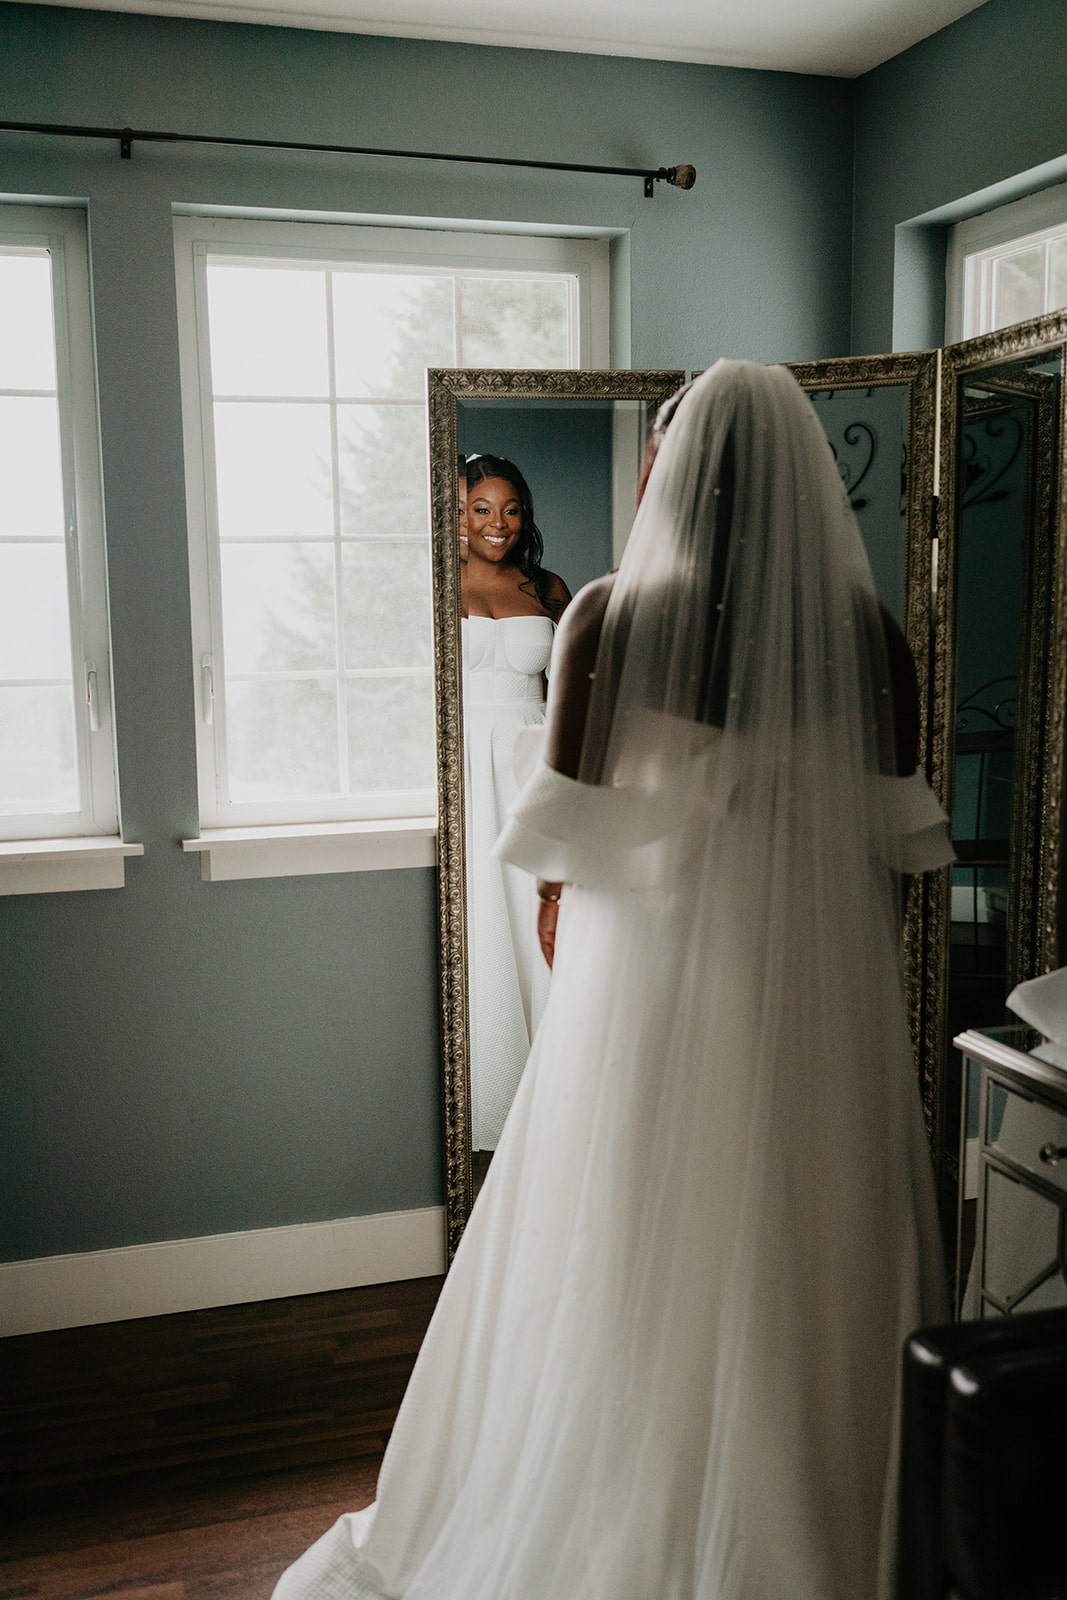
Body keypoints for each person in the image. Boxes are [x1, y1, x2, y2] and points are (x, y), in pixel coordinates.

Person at [273, 361, 952, 1600]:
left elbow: (558, 851)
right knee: (805, 1233)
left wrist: (577, 925)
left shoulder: (607, 616)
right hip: (817, 1009)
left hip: (650, 988)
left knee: (625, 1233)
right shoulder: (874, 642)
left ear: (670, 472)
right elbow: (894, 861)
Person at [459, 454, 571, 1155]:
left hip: (532, 762)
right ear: (455, 513)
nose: (498, 524)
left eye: (510, 509)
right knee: (484, 922)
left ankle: (557, 1102)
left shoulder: (546, 586)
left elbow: (584, 683)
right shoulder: (434, 583)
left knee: (542, 917)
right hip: (466, 766)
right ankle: (492, 1108)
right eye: (480, 508)